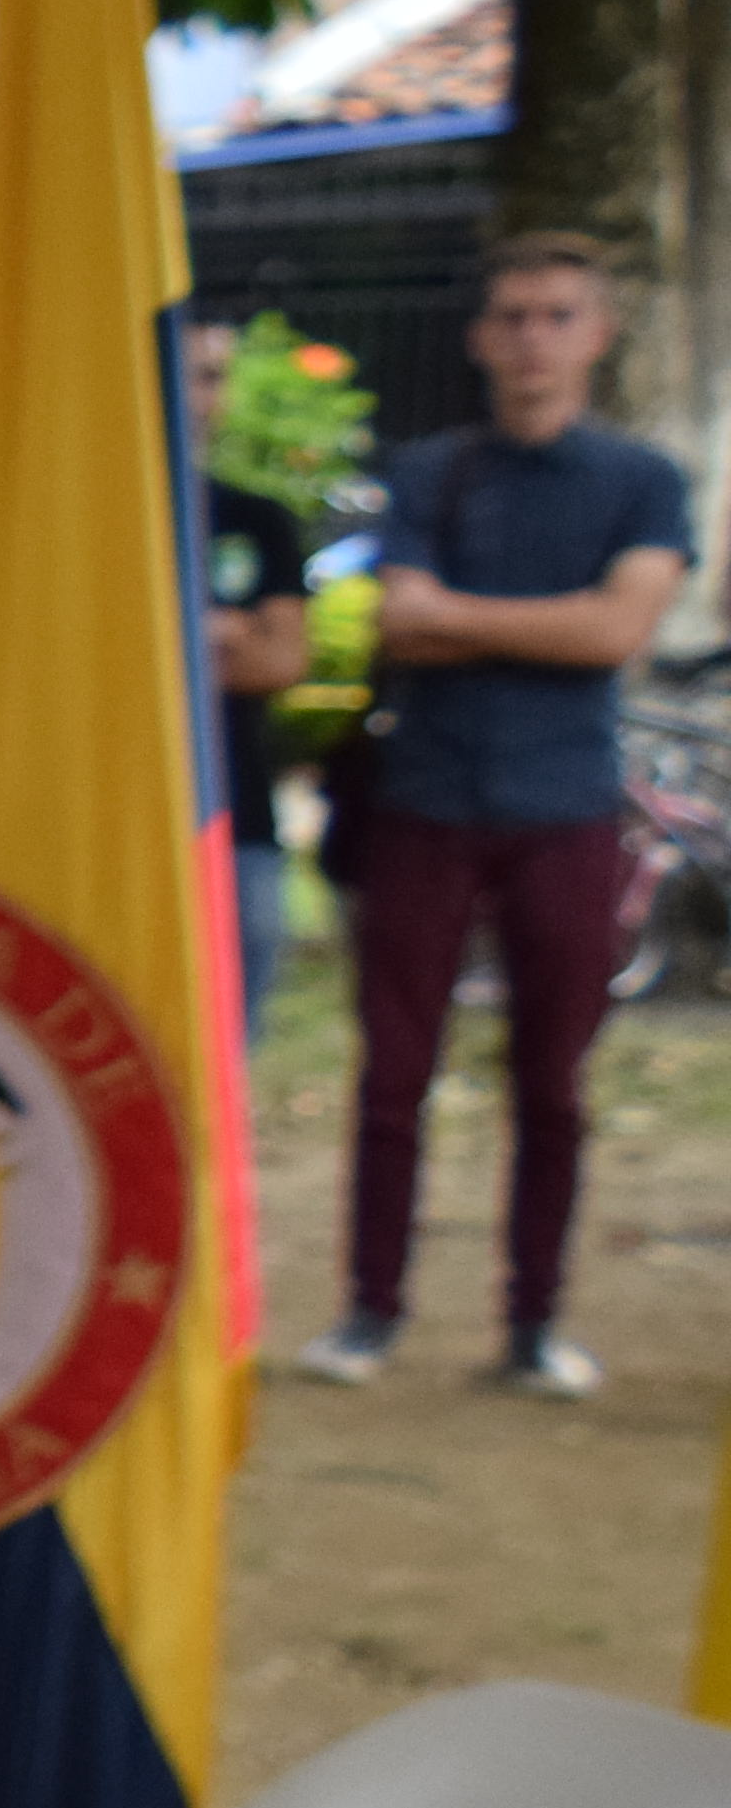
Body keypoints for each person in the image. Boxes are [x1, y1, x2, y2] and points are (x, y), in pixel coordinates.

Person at [303, 231, 698, 1398]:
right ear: (483, 336)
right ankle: (370, 1308)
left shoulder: (641, 479)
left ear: (598, 332)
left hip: (568, 807)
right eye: (516, 316)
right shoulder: (430, 472)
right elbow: (398, 620)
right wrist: (555, 620)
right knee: (393, 1073)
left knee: (555, 1081)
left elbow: (617, 634)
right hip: (427, 799)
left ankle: (533, 1321)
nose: (534, 338)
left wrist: (467, 618)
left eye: (558, 315)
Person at [188, 312, 314, 1047]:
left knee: (232, 1041)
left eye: (210, 376)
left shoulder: (257, 518)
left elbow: (281, 661)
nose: (196, 395)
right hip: (119, 811)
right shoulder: (90, 522)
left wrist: (187, 638)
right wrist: (224, 630)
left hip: (238, 808)